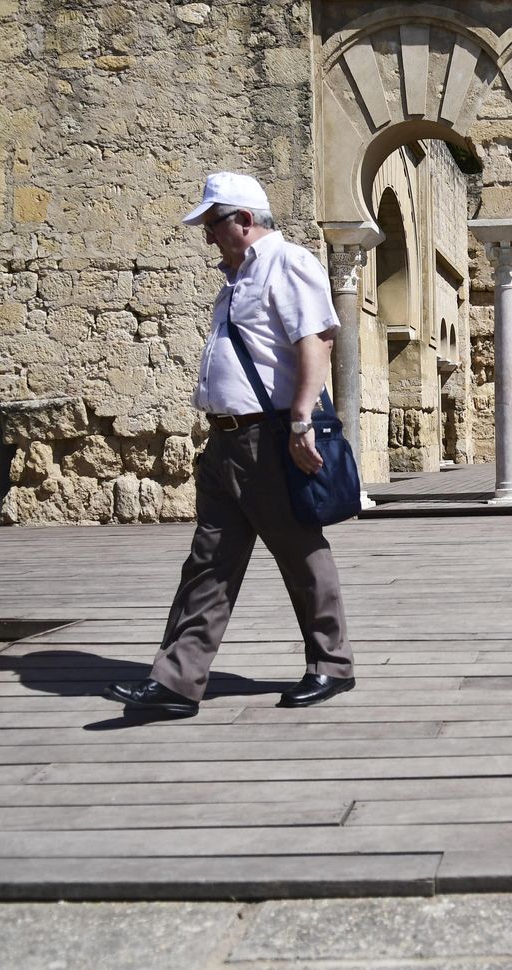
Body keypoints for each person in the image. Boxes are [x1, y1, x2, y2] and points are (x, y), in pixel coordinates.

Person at [103, 172, 356, 718]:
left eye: (213, 224)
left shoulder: (288, 263)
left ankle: (331, 664)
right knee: (209, 561)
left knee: (299, 550)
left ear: (244, 219)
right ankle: (177, 681)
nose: (207, 236)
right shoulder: (237, 278)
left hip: (268, 437)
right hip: (225, 443)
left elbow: (316, 340)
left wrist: (300, 422)